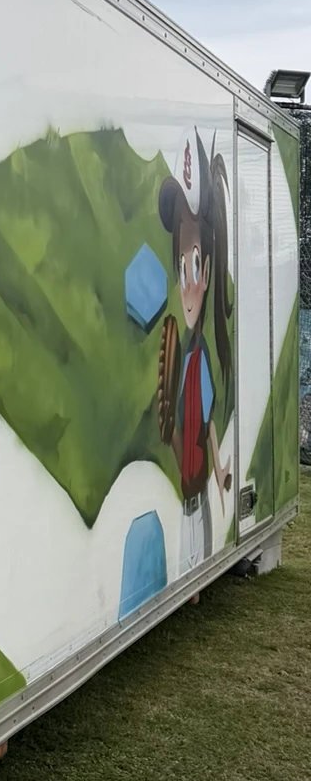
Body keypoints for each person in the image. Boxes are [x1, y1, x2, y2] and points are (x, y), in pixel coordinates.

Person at [157, 131, 233, 575]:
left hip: (196, 478)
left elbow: (206, 423)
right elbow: (183, 425)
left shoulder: (198, 357)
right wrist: (169, 430)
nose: (188, 283)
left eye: (196, 265)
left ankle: (195, 579)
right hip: (188, 479)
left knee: (195, 530)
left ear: (208, 271)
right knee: (190, 525)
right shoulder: (187, 357)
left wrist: (219, 469)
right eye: (182, 266)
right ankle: (194, 579)